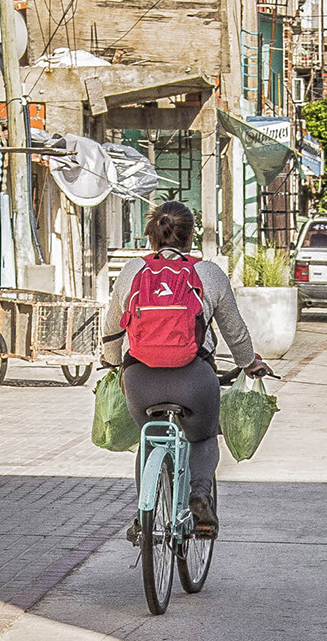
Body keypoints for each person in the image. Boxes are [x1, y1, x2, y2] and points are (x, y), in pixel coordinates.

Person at [105, 201, 271, 538]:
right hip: (193, 379)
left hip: (140, 380)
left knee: (149, 439)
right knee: (204, 436)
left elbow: (111, 326)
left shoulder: (132, 271)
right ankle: (199, 494)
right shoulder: (208, 273)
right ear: (190, 236)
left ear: (151, 235)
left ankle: (144, 513)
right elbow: (235, 332)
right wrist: (249, 364)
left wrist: (110, 361)